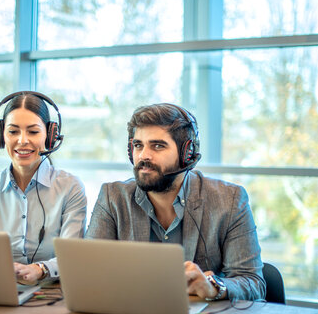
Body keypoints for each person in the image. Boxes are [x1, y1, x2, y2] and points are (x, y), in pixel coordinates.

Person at [86, 103, 265, 301]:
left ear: (186, 154)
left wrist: (213, 287)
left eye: (158, 146)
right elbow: (88, 272)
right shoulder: (113, 197)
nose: (144, 155)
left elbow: (253, 283)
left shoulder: (229, 200)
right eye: (138, 145)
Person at [0, 91, 87, 284]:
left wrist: (41, 269)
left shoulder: (70, 187)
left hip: (53, 292)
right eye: (13, 131)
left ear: (50, 136)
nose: (22, 140)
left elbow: (73, 254)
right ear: (1, 135)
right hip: (0, 287)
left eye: (33, 131)